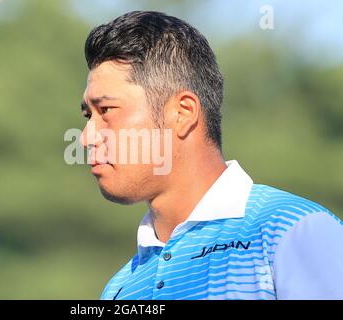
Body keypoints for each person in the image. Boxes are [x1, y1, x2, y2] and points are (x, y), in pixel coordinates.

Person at [79, 10, 343, 300]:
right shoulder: (119, 290)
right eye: (88, 116)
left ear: (183, 112)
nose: (87, 137)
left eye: (106, 111)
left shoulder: (294, 232)